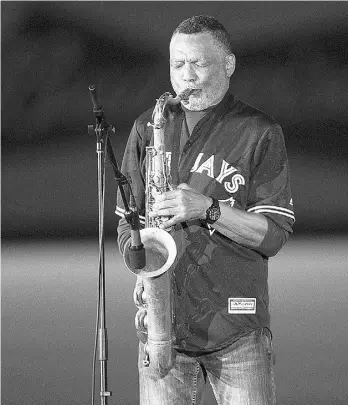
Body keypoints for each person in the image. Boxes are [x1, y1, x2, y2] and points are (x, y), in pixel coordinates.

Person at [116, 15, 294, 405]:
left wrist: (207, 209)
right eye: (177, 65)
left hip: (237, 327)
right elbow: (127, 226)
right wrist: (142, 255)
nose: (186, 76)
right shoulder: (148, 127)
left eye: (199, 63)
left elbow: (273, 236)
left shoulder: (260, 131)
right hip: (165, 333)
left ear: (228, 65)